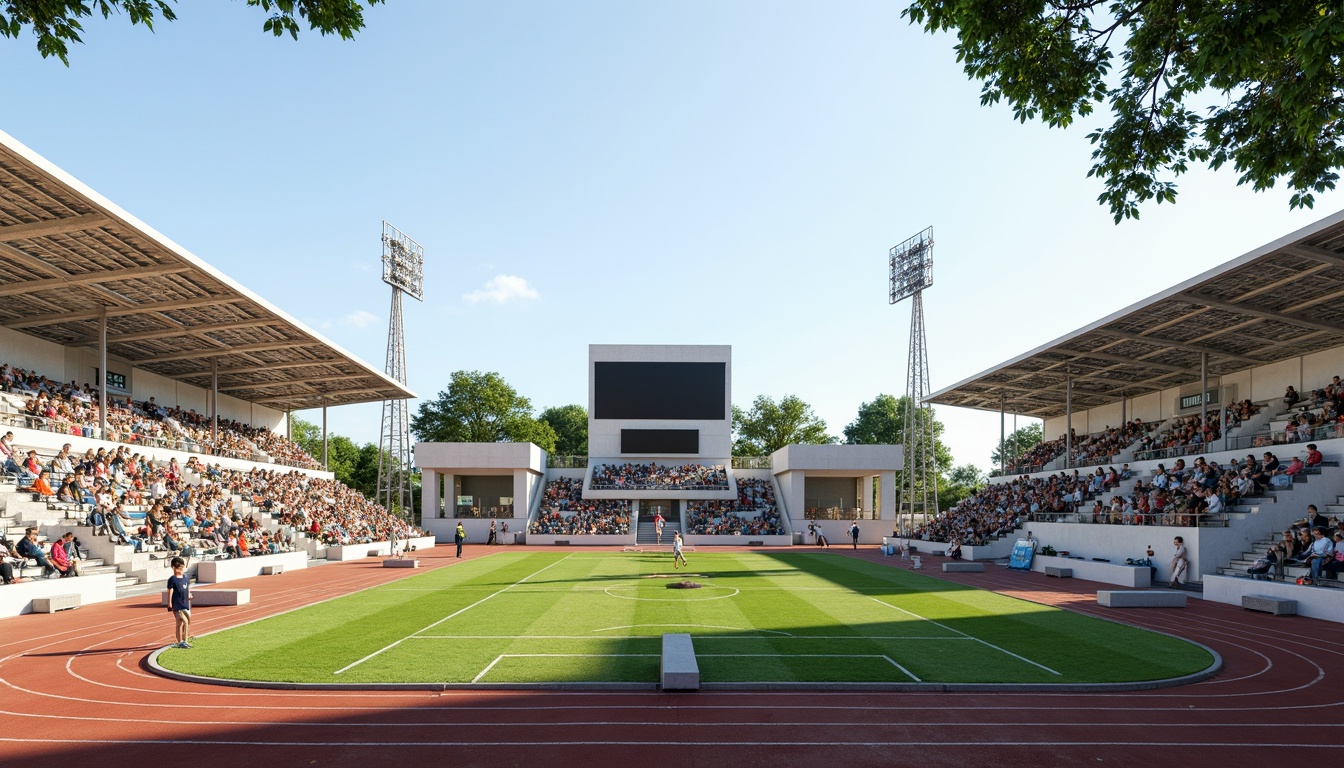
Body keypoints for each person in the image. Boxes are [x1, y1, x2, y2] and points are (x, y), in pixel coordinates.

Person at [166, 556, 193, 649]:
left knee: (182, 623)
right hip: (177, 604)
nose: (181, 570)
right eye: (179, 568)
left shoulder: (185, 578)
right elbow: (170, 591)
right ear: (174, 568)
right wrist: (169, 603)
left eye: (182, 567)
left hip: (185, 603)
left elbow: (187, 588)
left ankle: (180, 640)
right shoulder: (172, 579)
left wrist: (189, 594)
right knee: (184, 621)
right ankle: (183, 641)